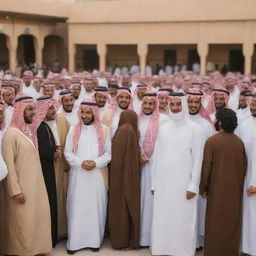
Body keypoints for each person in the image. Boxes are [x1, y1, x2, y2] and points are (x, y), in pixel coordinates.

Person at [150, 92, 203, 256]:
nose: (175, 108)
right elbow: (156, 158)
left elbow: (198, 160)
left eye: (178, 104)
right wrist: (153, 183)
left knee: (183, 219)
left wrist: (193, 185)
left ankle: (182, 251)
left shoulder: (194, 129)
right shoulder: (164, 127)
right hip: (163, 183)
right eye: (172, 105)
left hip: (183, 184)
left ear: (184, 106)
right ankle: (161, 248)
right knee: (163, 217)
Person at [2, 96, 52, 256]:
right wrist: (15, 190)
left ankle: (35, 250)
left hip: (35, 188)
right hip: (21, 189)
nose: (33, 112)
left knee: (33, 221)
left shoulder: (27, 132)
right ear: (19, 111)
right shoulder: (11, 135)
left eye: (33, 108)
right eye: (29, 109)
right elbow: (9, 165)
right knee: (22, 223)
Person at [65, 100, 111, 254]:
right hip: (78, 176)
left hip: (97, 176)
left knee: (95, 208)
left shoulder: (104, 130)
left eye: (88, 112)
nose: (84, 116)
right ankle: (74, 243)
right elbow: (68, 153)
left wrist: (96, 163)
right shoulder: (73, 129)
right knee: (77, 208)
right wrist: (81, 163)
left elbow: (108, 154)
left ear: (94, 113)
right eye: (82, 113)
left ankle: (94, 241)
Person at [200, 108, 247, 256]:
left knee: (215, 222)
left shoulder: (212, 141)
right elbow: (244, 167)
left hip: (216, 190)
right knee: (231, 223)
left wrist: (203, 188)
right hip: (235, 191)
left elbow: (206, 168)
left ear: (219, 122)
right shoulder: (239, 142)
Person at [187, 88, 214, 250]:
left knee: (199, 207)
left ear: (200, 103)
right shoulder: (178, 120)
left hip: (201, 169)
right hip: (182, 171)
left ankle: (198, 242)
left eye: (196, 102)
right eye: (190, 101)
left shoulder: (206, 124)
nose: (192, 105)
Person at [109, 110, 141, 249]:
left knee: (118, 208)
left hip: (116, 176)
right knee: (125, 208)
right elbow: (129, 159)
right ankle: (125, 241)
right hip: (125, 177)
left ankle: (118, 240)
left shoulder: (120, 131)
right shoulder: (129, 131)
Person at [36, 96, 59, 247]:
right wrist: (55, 152)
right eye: (50, 108)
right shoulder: (40, 127)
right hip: (44, 170)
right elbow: (45, 151)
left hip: (47, 169)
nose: (53, 110)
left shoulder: (45, 125)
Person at [138, 93, 159, 247]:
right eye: (145, 103)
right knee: (141, 201)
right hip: (140, 166)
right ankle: (141, 238)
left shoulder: (162, 121)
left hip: (156, 166)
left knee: (152, 202)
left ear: (155, 105)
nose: (147, 107)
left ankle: (152, 238)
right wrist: (139, 154)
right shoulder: (137, 120)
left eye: (150, 104)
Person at [239, 94, 256, 256]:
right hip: (245, 177)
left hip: (254, 180)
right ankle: (248, 249)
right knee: (248, 215)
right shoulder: (244, 124)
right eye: (253, 105)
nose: (253, 108)